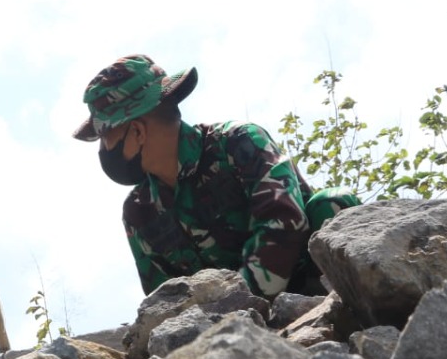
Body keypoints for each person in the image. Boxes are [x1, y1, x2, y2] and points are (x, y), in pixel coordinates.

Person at [73, 54, 359, 299]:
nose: (103, 150)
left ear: (137, 131)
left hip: (308, 291)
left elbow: (284, 224)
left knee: (335, 206)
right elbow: (165, 300)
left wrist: (239, 310)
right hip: (223, 332)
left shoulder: (239, 143)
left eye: (105, 137)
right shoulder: (138, 212)